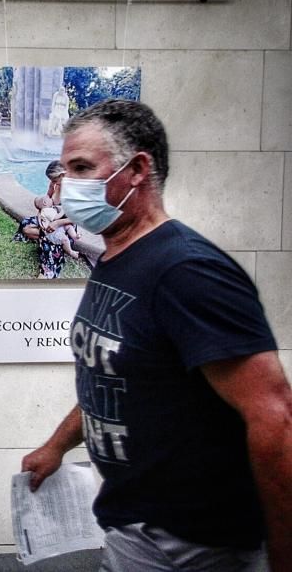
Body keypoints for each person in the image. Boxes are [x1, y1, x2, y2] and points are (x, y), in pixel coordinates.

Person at [20, 99, 291, 571]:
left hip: (195, 544)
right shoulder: (115, 258)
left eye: (82, 168)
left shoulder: (188, 271)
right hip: (132, 523)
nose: (65, 186)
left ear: (138, 169)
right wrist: (57, 445)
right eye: (64, 170)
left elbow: (276, 419)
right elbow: (119, 375)